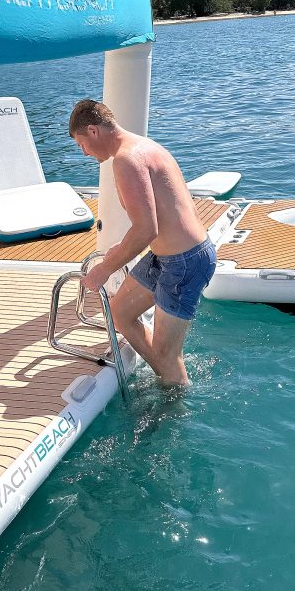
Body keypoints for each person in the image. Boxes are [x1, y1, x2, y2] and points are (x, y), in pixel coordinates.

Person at [69, 99, 217, 386]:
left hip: (186, 261)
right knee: (120, 312)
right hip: (168, 256)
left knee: (167, 355)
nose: (84, 152)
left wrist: (105, 269)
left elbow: (146, 229)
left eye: (81, 144)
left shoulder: (127, 160)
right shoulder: (145, 146)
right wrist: (121, 248)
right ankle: (166, 372)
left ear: (93, 131)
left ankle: (173, 396)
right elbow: (160, 216)